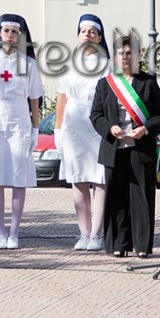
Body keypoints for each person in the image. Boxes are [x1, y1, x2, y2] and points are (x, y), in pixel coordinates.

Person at [90, 35, 160, 257]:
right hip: (114, 148)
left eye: (129, 53)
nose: (125, 57)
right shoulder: (105, 84)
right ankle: (118, 245)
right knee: (116, 197)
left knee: (141, 198)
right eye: (121, 53)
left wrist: (145, 129)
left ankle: (142, 246)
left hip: (141, 148)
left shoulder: (148, 82)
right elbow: (95, 114)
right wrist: (109, 128)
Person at [0, 13, 44, 250]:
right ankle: (0, 232)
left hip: (19, 120)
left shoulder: (29, 64)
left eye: (15, 32)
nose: (10, 36)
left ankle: (14, 232)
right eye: (6, 31)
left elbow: (35, 99)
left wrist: (36, 128)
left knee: (18, 177)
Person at [55, 14, 111, 251]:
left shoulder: (107, 65)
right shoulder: (68, 65)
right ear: (77, 36)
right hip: (74, 126)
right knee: (78, 180)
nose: (87, 35)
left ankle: (97, 234)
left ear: (99, 38)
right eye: (83, 31)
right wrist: (58, 131)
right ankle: (83, 233)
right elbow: (61, 100)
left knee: (99, 181)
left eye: (92, 32)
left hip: (97, 125)